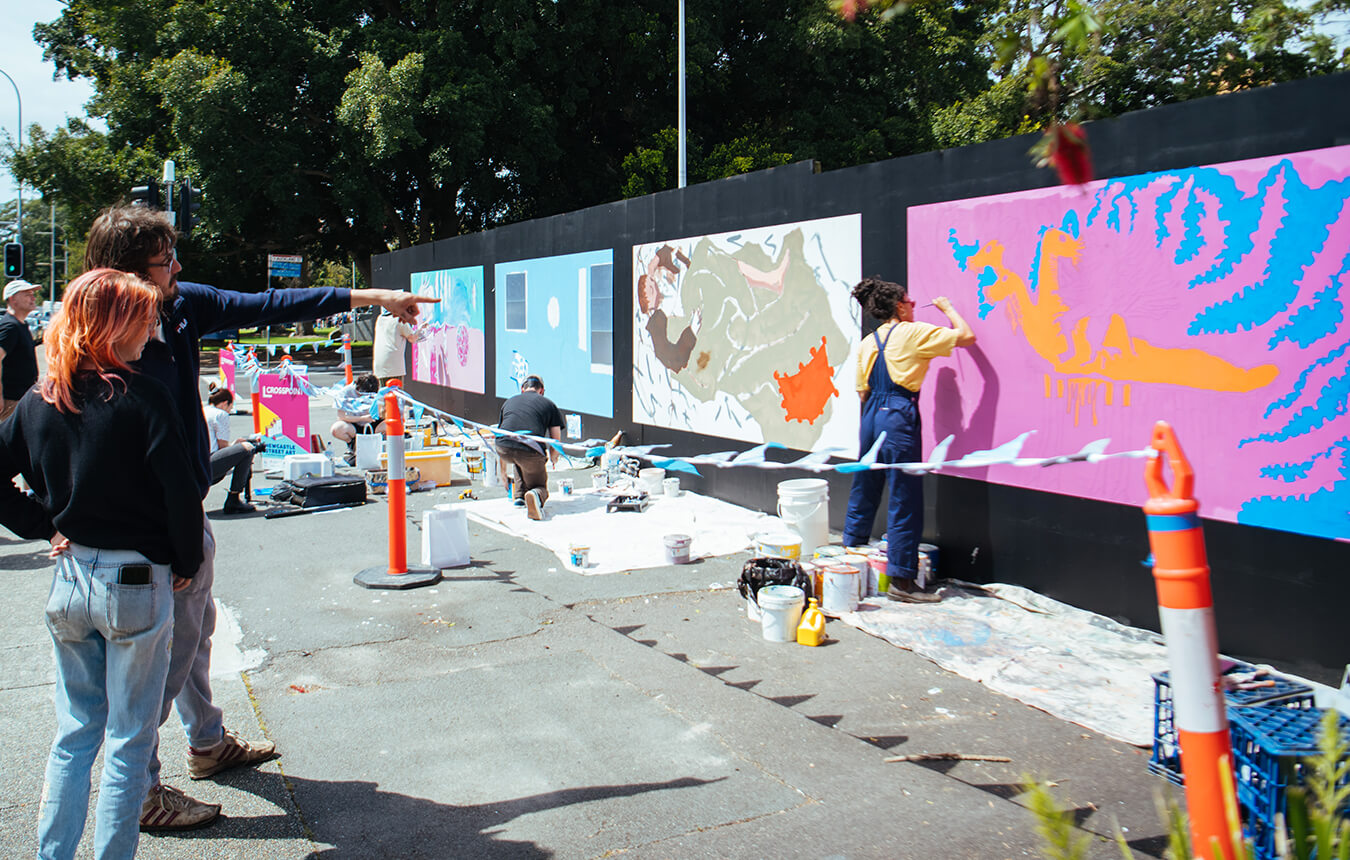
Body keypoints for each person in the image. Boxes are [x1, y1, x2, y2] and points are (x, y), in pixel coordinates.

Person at [83, 205, 438, 831]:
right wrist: (59, 519)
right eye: (167, 261)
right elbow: (54, 434)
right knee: (163, 657)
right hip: (146, 529)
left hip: (182, 513)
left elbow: (273, 303)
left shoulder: (181, 305)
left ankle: (207, 743)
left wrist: (374, 293)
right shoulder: (101, 341)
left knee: (195, 636)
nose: (180, 267)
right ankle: (140, 789)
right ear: (127, 275)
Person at [0, 268, 204, 859]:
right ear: (116, 326)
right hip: (137, 580)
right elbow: (179, 494)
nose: (151, 331)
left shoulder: (43, 400)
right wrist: (185, 559)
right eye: (143, 319)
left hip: (69, 581)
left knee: (73, 733)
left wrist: (45, 524)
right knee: (128, 739)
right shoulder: (142, 395)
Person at [842, 277, 974, 603]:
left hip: (871, 415)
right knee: (904, 494)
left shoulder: (868, 342)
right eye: (910, 301)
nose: (914, 305)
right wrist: (948, 309)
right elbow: (966, 337)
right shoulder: (913, 333)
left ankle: (849, 556)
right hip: (898, 413)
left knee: (866, 483)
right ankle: (902, 581)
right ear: (899, 305)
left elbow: (862, 391)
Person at [495, 375, 563, 521]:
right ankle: (535, 495)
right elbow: (555, 439)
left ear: (522, 389)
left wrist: (501, 472)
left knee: (518, 456)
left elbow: (502, 434)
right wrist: (553, 457)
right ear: (542, 390)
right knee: (539, 485)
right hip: (529, 451)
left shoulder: (509, 401)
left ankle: (519, 496)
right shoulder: (548, 404)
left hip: (503, 447)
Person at [203, 387, 262, 514]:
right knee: (247, 448)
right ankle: (234, 498)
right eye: (230, 406)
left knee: (241, 447)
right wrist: (238, 445)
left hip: (194, 464)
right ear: (225, 403)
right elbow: (223, 448)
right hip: (207, 466)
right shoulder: (220, 414)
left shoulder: (202, 411)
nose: (230, 410)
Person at [0, 279, 41, 422]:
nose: (33, 297)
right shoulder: (9, 327)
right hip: (11, 400)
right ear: (12, 299)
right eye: (27, 294)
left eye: (33, 294)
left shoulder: (21, 325)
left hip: (21, 398)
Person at [330, 373, 383, 464]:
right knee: (337, 428)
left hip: (373, 421)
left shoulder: (380, 393)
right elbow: (341, 416)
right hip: (354, 423)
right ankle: (352, 443)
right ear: (356, 386)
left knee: (393, 425)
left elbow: (385, 413)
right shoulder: (345, 393)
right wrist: (362, 418)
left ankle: (381, 446)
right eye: (361, 394)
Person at [373, 308, 417, 386]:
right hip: (394, 365)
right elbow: (412, 338)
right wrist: (421, 329)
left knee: (384, 394)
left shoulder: (380, 318)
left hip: (379, 365)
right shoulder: (399, 318)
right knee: (396, 395)